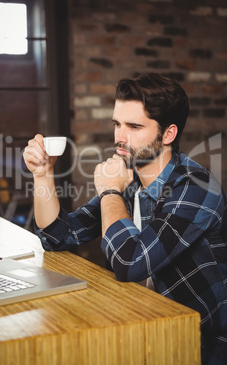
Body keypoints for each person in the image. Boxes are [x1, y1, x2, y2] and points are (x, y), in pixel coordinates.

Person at [23, 72, 227, 364]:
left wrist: (109, 192)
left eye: (134, 126)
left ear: (168, 134)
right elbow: (58, 235)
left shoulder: (195, 187)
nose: (120, 137)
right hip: (141, 323)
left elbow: (129, 263)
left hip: (199, 343)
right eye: (117, 124)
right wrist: (42, 174)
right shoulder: (130, 180)